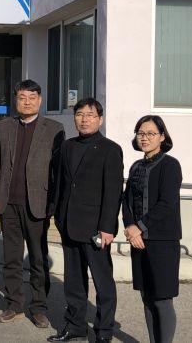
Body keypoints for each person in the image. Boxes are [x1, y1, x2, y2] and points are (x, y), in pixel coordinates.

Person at [0, 79, 64, 328]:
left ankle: (39, 307)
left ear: (39, 100)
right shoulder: (4, 126)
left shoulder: (54, 129)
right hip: (8, 203)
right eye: (22, 97)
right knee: (11, 258)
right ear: (16, 100)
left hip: (37, 203)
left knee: (38, 259)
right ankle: (14, 304)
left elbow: (58, 171)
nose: (27, 102)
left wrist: (54, 202)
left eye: (32, 98)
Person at [48, 98, 123, 343]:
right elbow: (60, 183)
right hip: (69, 224)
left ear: (100, 119)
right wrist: (57, 215)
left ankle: (104, 331)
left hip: (96, 229)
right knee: (73, 282)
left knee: (103, 284)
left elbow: (113, 192)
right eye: (80, 114)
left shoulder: (110, 149)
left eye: (90, 115)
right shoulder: (67, 147)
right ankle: (75, 326)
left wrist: (107, 227)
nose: (84, 119)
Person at [122, 115, 182, 343]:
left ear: (162, 137)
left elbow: (167, 203)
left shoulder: (170, 165)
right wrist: (130, 227)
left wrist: (139, 227)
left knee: (162, 299)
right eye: (140, 133)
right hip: (138, 240)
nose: (144, 138)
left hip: (162, 242)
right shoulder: (136, 166)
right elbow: (126, 200)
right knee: (146, 297)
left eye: (150, 133)